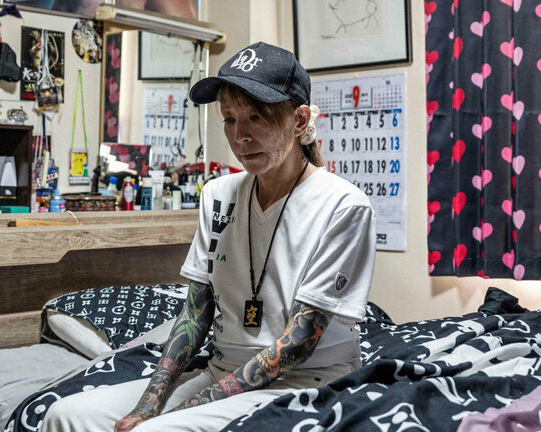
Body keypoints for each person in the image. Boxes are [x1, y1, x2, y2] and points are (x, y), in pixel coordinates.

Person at [41, 41, 375, 432]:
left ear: (300, 120)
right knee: (64, 415)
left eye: (256, 117)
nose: (240, 136)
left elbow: (299, 341)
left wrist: (187, 408)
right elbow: (195, 313)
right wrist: (150, 403)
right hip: (223, 369)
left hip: (306, 380)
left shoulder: (343, 205)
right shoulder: (218, 195)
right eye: (229, 119)